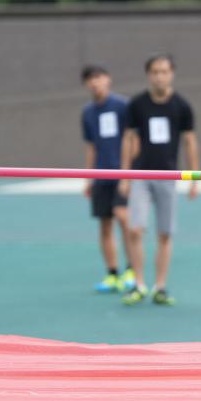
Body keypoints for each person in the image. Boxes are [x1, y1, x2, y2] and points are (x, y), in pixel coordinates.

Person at [119, 54, 199, 306]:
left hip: (168, 176)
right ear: (148, 74)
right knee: (134, 229)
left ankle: (160, 287)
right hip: (141, 175)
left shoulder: (182, 106)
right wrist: (124, 174)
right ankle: (139, 284)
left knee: (165, 234)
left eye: (164, 71)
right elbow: (129, 139)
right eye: (155, 72)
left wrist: (195, 177)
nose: (159, 76)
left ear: (172, 73)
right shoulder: (137, 104)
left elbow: (189, 141)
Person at [80, 64, 135, 293]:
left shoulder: (122, 106)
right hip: (100, 175)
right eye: (90, 79)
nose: (95, 83)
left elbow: (131, 140)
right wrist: (88, 177)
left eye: (99, 77)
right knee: (105, 225)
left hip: (121, 174)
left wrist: (127, 174)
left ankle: (131, 270)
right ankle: (112, 273)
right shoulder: (88, 113)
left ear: (108, 79)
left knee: (124, 218)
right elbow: (91, 147)